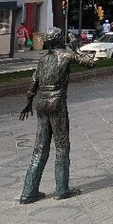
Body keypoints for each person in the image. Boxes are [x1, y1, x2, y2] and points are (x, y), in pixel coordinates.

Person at [19, 27, 95, 202]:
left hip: (41, 103)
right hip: (56, 103)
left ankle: (28, 191)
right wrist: (76, 47)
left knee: (40, 148)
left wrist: (28, 103)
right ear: (61, 39)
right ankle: (61, 189)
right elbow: (90, 62)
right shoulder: (66, 56)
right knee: (62, 146)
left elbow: (34, 81)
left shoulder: (43, 60)